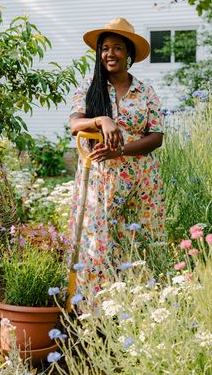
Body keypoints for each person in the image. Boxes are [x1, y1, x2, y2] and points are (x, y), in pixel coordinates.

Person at [69, 17, 165, 298]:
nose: (110, 54)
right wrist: (102, 120)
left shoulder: (145, 92)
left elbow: (156, 137)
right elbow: (75, 125)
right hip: (100, 180)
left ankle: (140, 305)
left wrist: (121, 150)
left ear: (130, 54)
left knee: (139, 241)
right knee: (98, 242)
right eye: (105, 48)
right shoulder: (90, 87)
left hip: (142, 181)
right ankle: (95, 312)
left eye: (118, 48)